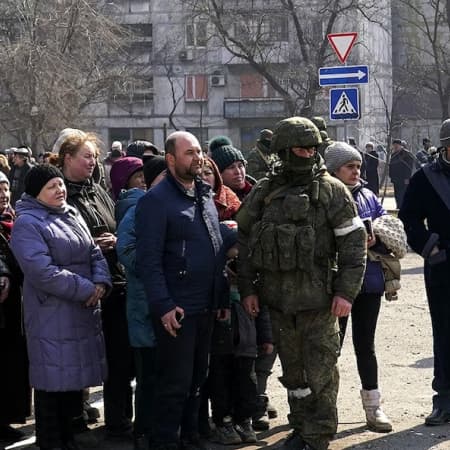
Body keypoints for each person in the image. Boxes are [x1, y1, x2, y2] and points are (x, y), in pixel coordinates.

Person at [236, 117, 367, 450]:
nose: (308, 153)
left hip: (319, 304)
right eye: (300, 148)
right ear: (283, 150)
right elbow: (246, 242)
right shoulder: (265, 191)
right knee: (294, 375)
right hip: (278, 304)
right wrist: (249, 289)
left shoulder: (332, 191)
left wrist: (345, 294)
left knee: (321, 373)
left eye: (312, 147)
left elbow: (354, 248)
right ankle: (301, 427)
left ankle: (318, 435)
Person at [135, 131, 228, 450]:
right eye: (189, 153)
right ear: (171, 159)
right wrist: (163, 305)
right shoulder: (155, 201)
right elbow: (148, 261)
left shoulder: (204, 196)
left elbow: (214, 248)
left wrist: (221, 296)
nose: (198, 157)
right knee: (174, 383)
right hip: (177, 308)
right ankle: (164, 441)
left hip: (206, 305)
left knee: (197, 380)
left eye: (199, 151)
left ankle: (190, 436)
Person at [10, 165, 111, 450]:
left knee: (72, 380)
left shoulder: (71, 212)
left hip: (81, 309)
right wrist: (86, 288)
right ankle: (52, 441)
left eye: (60, 184)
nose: (60, 190)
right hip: (51, 312)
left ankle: (70, 437)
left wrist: (101, 282)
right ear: (36, 193)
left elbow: (94, 252)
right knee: (51, 380)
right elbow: (41, 271)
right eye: (52, 186)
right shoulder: (28, 223)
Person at [56, 130, 135, 440]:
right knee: (78, 357)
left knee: (119, 359)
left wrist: (116, 241)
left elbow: (116, 222)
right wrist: (92, 246)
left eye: (94, 157)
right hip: (81, 288)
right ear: (67, 159)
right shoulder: (60, 194)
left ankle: (118, 422)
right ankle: (74, 420)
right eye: (85, 157)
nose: (92, 162)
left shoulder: (98, 190)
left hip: (115, 283)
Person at [324, 141, 392, 432]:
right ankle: (325, 410)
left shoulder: (367, 194)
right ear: (333, 169)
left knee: (366, 346)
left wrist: (377, 233)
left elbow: (388, 224)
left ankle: (373, 407)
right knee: (330, 348)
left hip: (369, 282)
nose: (356, 171)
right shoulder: (324, 196)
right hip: (334, 286)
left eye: (358, 166)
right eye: (349, 167)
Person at [399, 118, 450, 426]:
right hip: (444, 266)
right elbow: (409, 221)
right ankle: (444, 399)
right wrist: (432, 248)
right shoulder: (425, 178)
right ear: (445, 146)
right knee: (445, 333)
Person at [115, 155, 167, 450]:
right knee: (147, 377)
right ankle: (143, 432)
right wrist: (159, 266)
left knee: (167, 375)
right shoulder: (138, 211)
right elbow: (127, 251)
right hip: (144, 306)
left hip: (170, 306)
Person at [0, 172, 31, 444]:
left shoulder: (13, 221)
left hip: (13, 309)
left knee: (10, 365)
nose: (2, 194)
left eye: (5, 188)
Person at [209, 136, 255, 200]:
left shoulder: (258, 192)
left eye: (240, 166)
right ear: (219, 173)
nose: (238, 172)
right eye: (231, 167)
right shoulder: (213, 201)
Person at [389, 139, 415, 209]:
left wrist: (407, 177)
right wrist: (391, 175)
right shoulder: (393, 155)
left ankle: (404, 207)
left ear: (400, 146)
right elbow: (391, 165)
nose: (395, 147)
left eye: (396, 146)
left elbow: (409, 167)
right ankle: (398, 206)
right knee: (397, 193)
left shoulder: (406, 154)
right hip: (396, 178)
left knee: (403, 193)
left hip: (404, 178)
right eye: (394, 146)